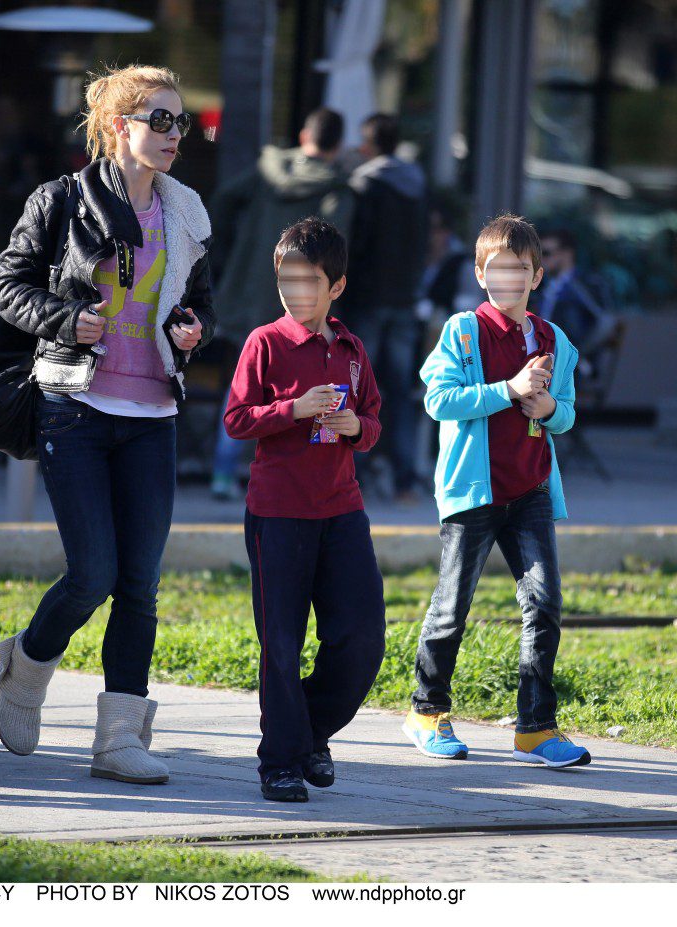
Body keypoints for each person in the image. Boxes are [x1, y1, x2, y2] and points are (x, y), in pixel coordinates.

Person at [0, 64, 214, 785]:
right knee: (93, 572)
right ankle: (28, 661)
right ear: (120, 127)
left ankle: (118, 739)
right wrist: (65, 318)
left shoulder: (187, 211)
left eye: (183, 122)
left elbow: (201, 300)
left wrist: (190, 328)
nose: (175, 135)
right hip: (74, 407)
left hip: (152, 413)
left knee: (139, 583)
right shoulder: (60, 200)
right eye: (161, 121)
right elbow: (7, 286)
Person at [401, 214, 592, 769]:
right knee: (451, 607)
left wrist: (550, 408)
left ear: (537, 277)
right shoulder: (462, 331)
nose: (509, 278)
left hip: (531, 490)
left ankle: (535, 729)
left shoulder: (555, 340)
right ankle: (427, 710)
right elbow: (440, 401)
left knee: (545, 604)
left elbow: (568, 416)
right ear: (482, 275)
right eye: (497, 269)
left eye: (522, 269)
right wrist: (507, 390)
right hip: (472, 492)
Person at [223, 218, 386, 803]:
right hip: (278, 513)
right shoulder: (264, 343)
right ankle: (281, 762)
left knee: (363, 637)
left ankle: (311, 732)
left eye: (309, 281)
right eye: (286, 280)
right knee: (282, 644)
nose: (296, 292)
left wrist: (354, 426)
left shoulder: (351, 348)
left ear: (335, 287)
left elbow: (373, 424)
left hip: (342, 510)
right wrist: (292, 410)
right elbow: (236, 420)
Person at [209, 109, 356, 500]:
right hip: (306, 298)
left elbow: (224, 198)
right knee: (307, 380)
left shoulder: (267, 169)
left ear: (305, 133)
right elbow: (335, 243)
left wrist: (226, 251)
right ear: (338, 144)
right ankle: (298, 472)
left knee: (245, 380)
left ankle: (223, 472)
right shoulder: (336, 188)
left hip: (252, 287)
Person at [343, 113, 428, 502]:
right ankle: (405, 480)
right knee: (399, 391)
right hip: (405, 300)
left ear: (370, 143)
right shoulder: (418, 185)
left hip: (370, 299)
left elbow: (356, 247)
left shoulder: (366, 185)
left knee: (360, 388)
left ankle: (352, 476)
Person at [536, 228, 617, 354]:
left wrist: (578, 354)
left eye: (546, 253)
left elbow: (606, 322)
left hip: (571, 368)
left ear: (567, 254)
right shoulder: (541, 286)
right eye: (537, 254)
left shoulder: (583, 285)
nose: (540, 259)